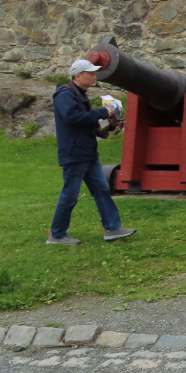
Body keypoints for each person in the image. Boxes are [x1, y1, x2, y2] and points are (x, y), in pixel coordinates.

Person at [47, 59, 136, 245]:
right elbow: (72, 118)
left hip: (88, 153)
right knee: (70, 195)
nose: (95, 77)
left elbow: (85, 123)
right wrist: (103, 113)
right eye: (91, 74)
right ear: (77, 76)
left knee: (102, 190)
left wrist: (108, 127)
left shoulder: (80, 94)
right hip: (74, 154)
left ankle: (112, 228)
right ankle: (57, 235)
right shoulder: (64, 95)